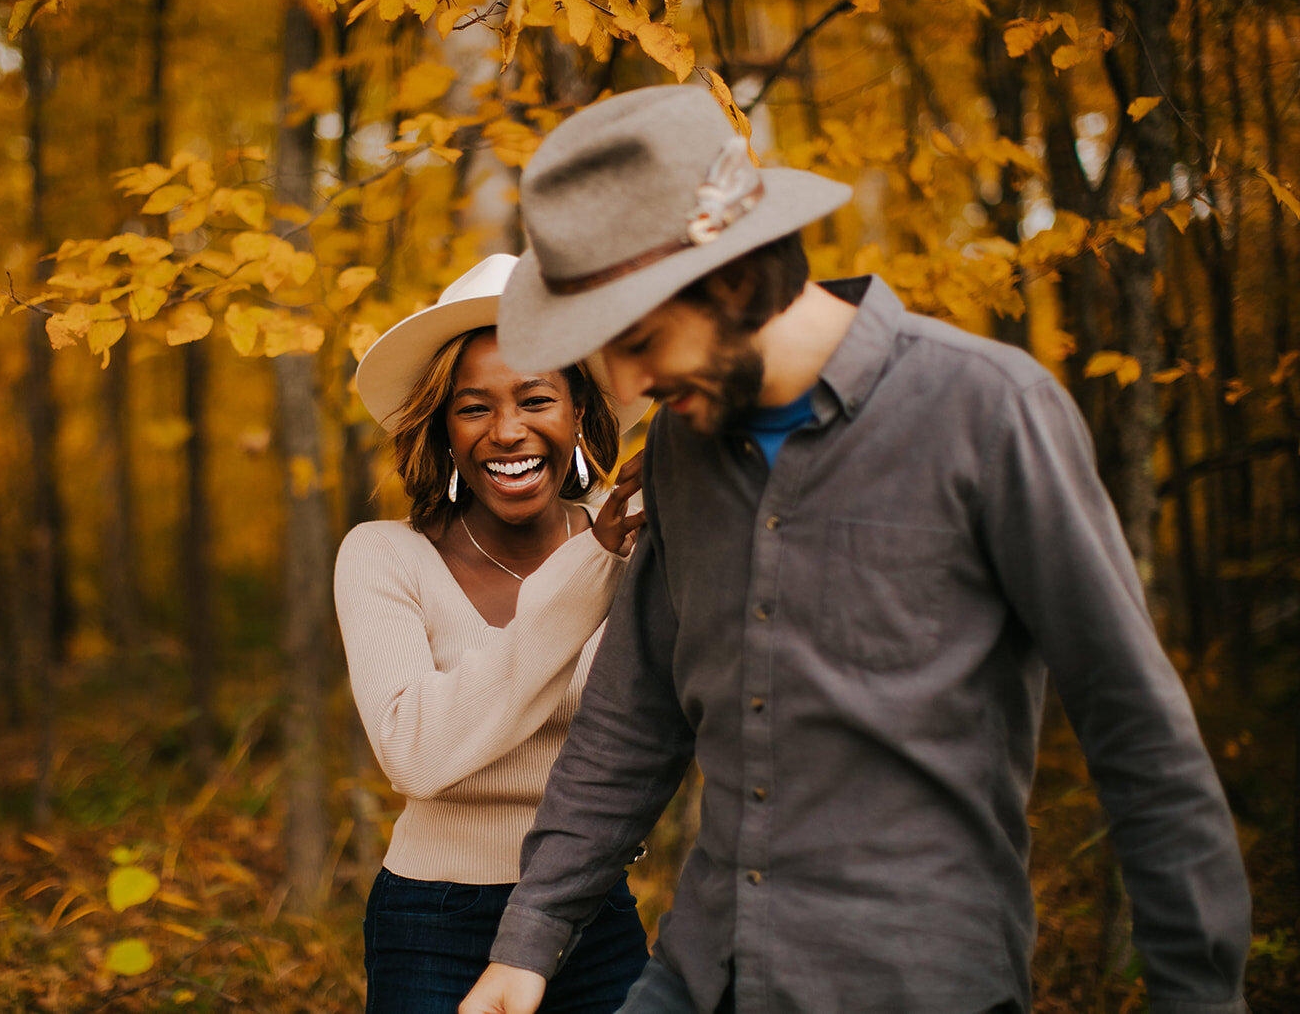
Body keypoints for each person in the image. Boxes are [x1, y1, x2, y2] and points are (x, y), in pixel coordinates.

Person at [460, 86, 1250, 1013]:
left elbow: (1139, 734)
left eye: (640, 340)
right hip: (700, 976)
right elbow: (634, 717)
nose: (628, 384)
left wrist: (1199, 993)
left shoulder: (988, 412)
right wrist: (528, 941)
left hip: (913, 981)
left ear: (737, 276)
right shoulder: (681, 446)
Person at [336, 254, 653, 1013]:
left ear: (579, 411)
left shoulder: (642, 534)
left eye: (537, 397)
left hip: (592, 910)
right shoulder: (384, 555)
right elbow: (415, 752)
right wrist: (591, 570)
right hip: (432, 920)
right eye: (473, 407)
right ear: (442, 428)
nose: (508, 431)